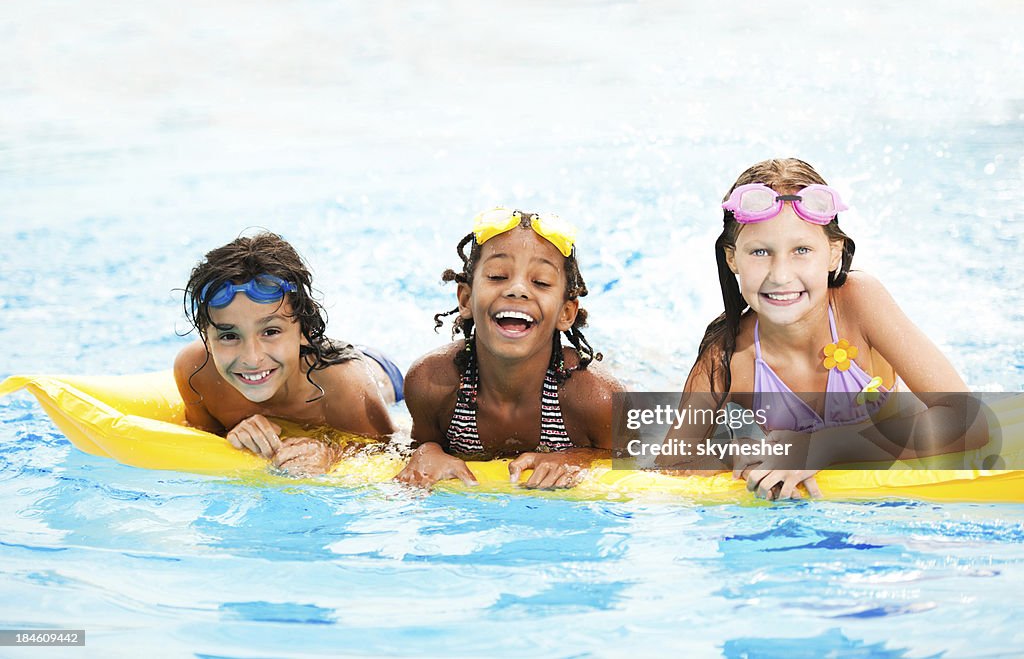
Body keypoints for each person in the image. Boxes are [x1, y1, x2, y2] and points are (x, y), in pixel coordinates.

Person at [664, 158, 981, 499]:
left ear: (833, 254)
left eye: (801, 250)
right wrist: (732, 452)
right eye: (759, 252)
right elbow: (670, 465)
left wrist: (822, 447)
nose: (781, 275)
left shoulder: (858, 305)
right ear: (732, 258)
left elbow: (968, 422)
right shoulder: (728, 358)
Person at [395, 208, 625, 489]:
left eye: (540, 282)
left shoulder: (595, 396)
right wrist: (426, 451)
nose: (517, 289)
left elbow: (659, 456)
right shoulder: (432, 383)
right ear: (466, 299)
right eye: (497, 276)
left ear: (566, 313)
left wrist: (581, 457)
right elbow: (414, 446)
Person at [174, 232, 402, 475]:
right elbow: (201, 442)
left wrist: (331, 454)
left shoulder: (342, 381)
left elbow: (391, 451)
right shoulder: (195, 372)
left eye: (270, 331)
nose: (252, 358)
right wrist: (230, 434)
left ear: (305, 328)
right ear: (206, 338)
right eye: (229, 336)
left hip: (373, 371)